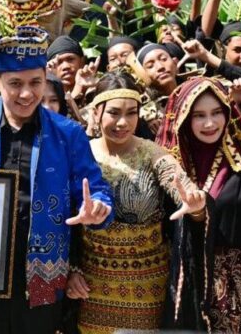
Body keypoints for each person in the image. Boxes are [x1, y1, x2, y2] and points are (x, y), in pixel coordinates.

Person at [0, 26, 113, 333]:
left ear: (46, 79)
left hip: (43, 274)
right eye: (15, 83)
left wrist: (98, 209)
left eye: (35, 82)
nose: (27, 94)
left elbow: (96, 190)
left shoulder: (68, 134)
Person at [67, 73, 206, 332]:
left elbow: (178, 183)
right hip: (91, 285)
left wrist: (194, 201)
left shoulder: (151, 152)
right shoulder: (81, 154)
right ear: (96, 112)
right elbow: (65, 221)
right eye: (114, 113)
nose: (123, 122)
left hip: (147, 286)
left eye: (131, 113)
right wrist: (72, 269)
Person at [157, 77, 241, 332]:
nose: (210, 123)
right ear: (183, 119)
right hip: (177, 279)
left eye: (217, 113)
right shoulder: (167, 164)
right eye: (199, 115)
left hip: (235, 284)